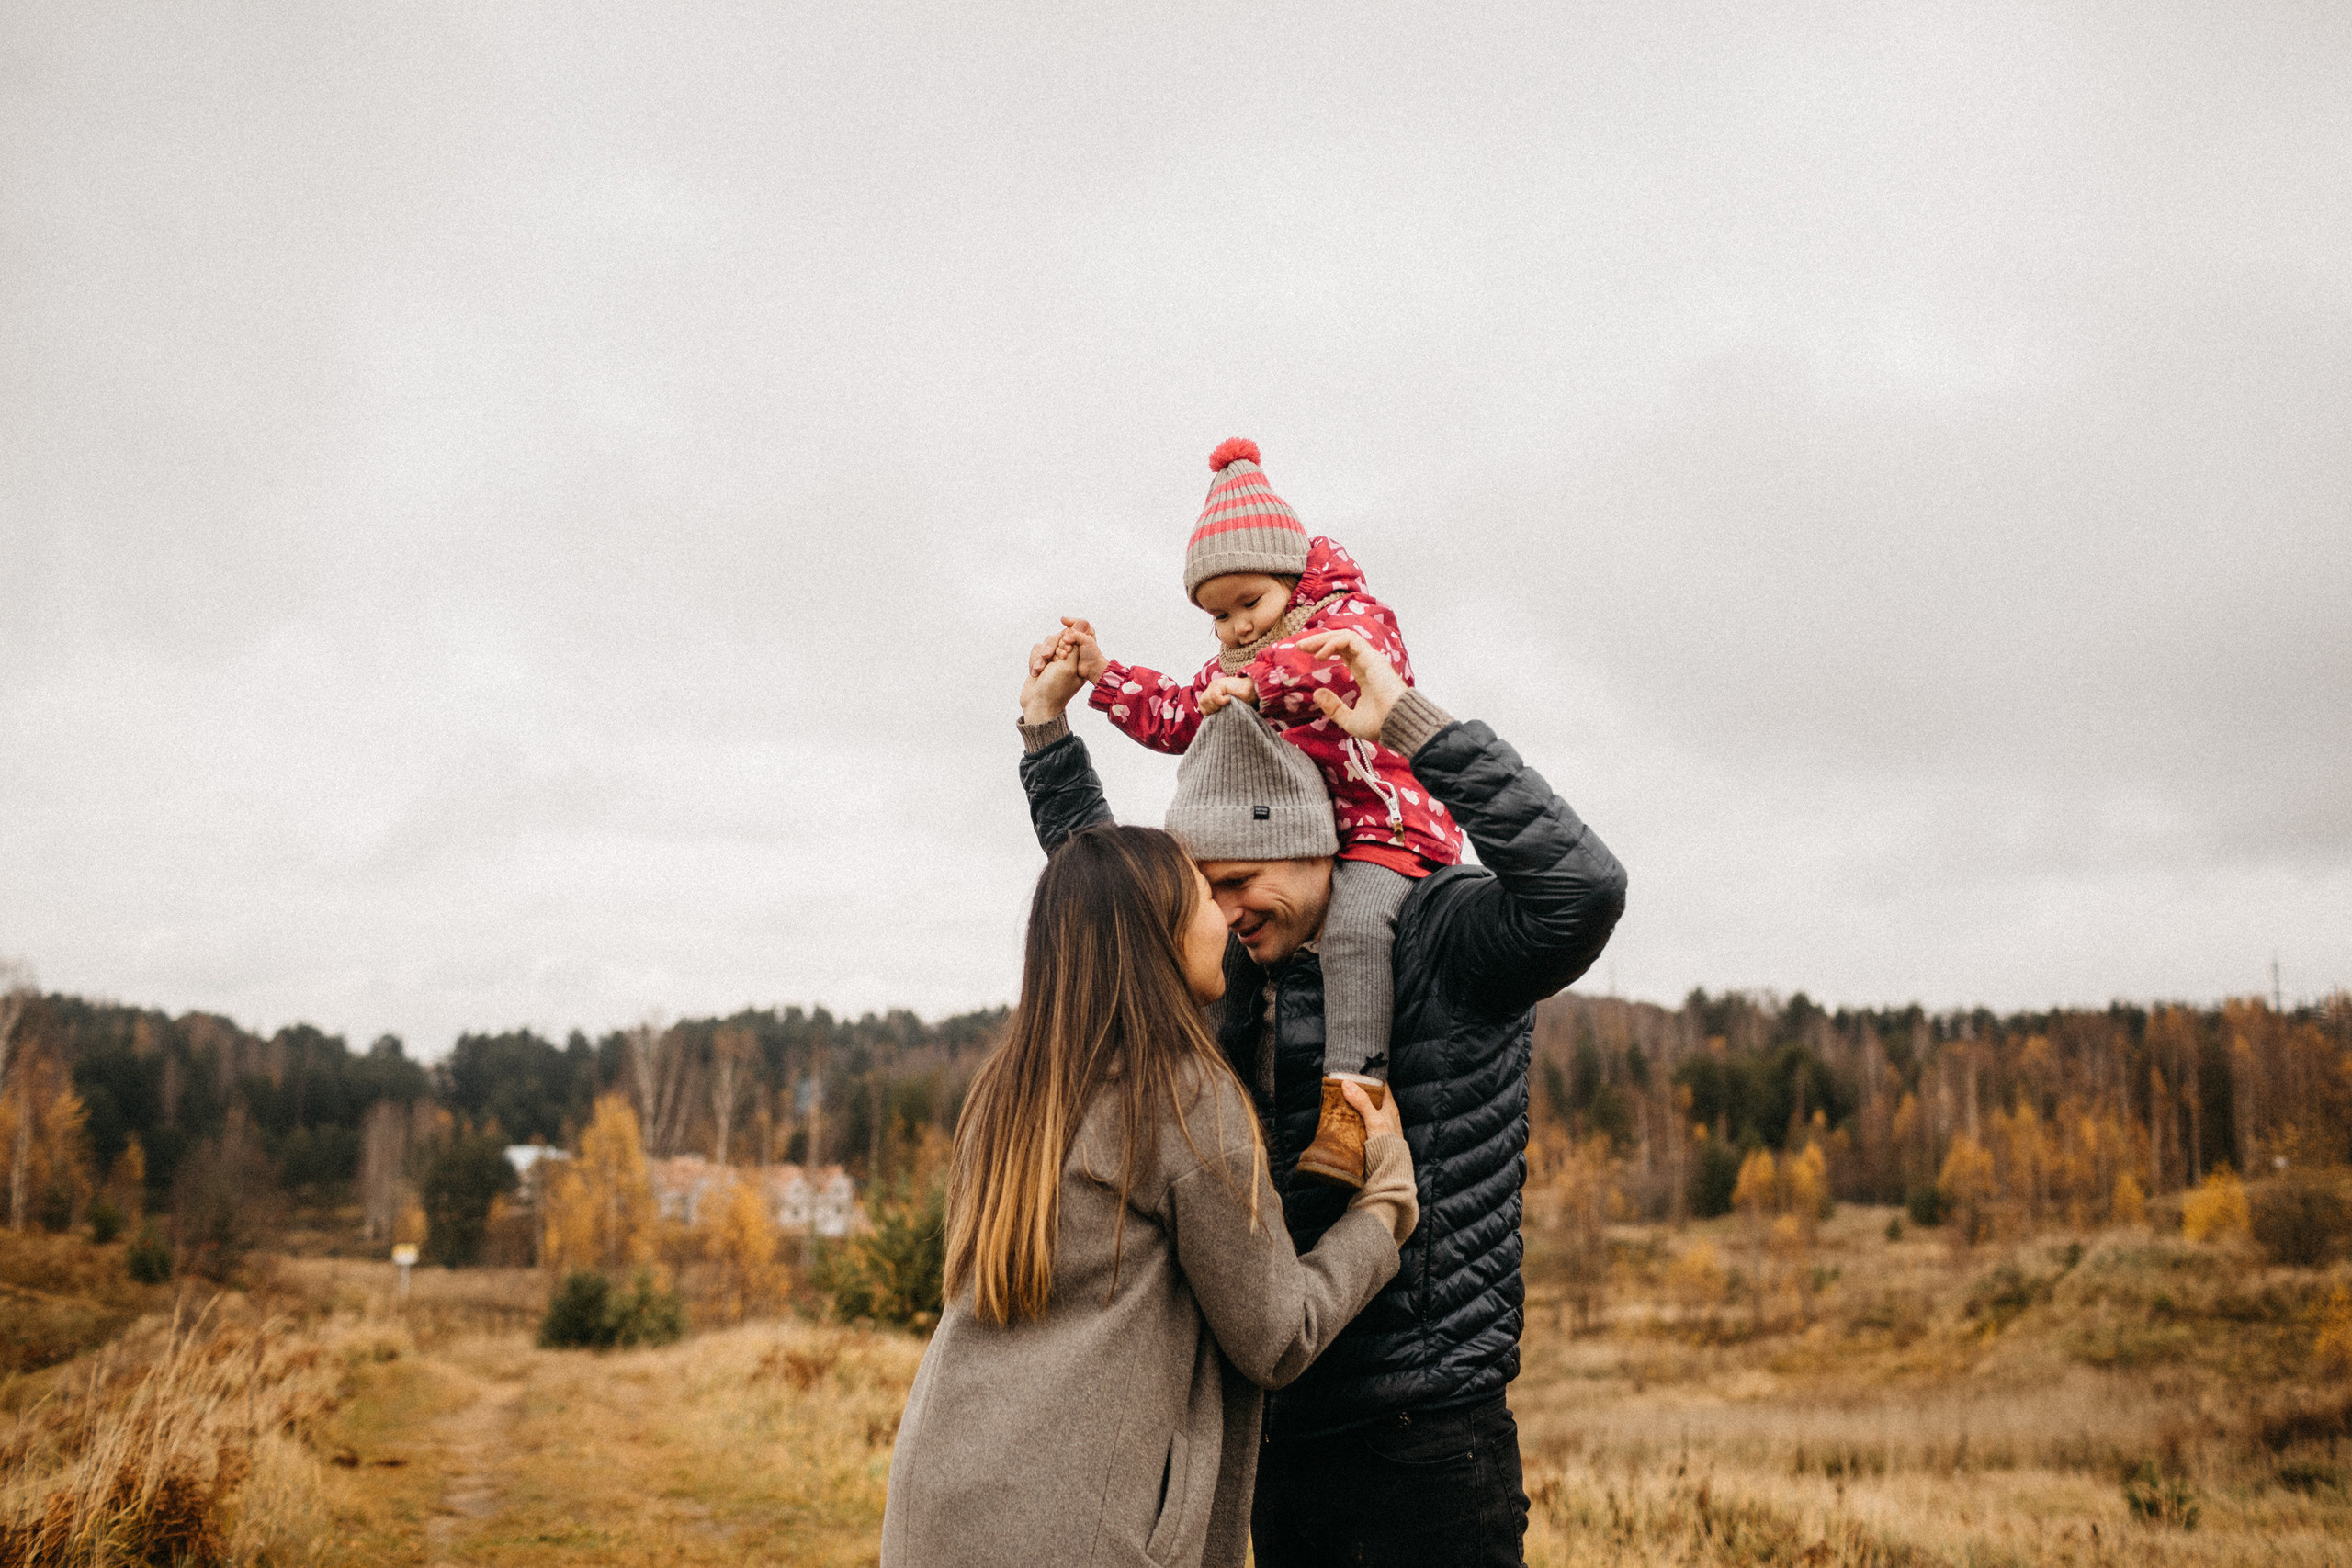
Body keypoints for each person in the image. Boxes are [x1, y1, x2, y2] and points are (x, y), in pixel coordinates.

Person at [1015, 619, 1627, 1568]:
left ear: (1310, 843)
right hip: (1269, 1428)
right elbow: (1104, 910)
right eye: (1201, 894)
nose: (1221, 913)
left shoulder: (1439, 938)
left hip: (1421, 1435)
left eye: (1240, 880)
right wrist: (1048, 740)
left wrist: (1417, 731)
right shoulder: (1224, 975)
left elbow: (1580, 892)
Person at [878, 822, 1422, 1568]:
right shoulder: (1182, 1095)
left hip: (937, 1507)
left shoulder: (1008, 1093)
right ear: (1158, 933)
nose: (1226, 916)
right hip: (1076, 1533)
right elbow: (1277, 1334)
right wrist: (1384, 1207)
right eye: (1205, 894)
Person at [1053, 437, 1461, 1187]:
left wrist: (1259, 686)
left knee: (1356, 929)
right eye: (1219, 616)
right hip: (1308, 841)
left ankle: (1352, 1106)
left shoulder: (1349, 617)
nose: (1237, 627)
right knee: (1230, 956)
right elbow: (1180, 716)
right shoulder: (1234, 665)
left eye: (1250, 603)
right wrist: (1103, 676)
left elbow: (1335, 667)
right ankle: (1225, 1120)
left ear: (1293, 578)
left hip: (1387, 824)